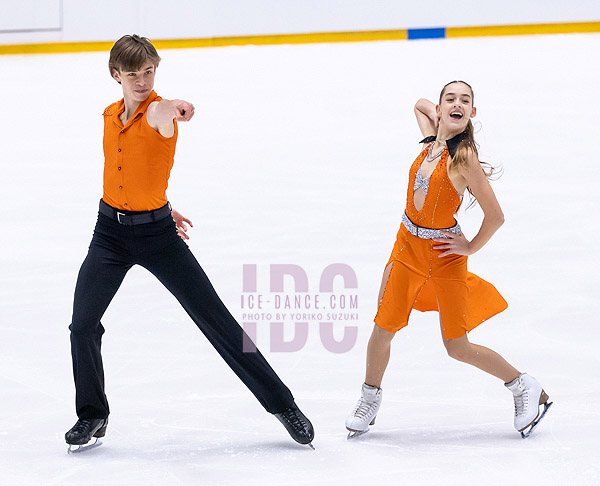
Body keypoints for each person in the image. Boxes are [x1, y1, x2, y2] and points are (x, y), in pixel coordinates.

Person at [65, 34, 314, 451]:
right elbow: (131, 170)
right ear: (115, 76)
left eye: (149, 71)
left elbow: (160, 113)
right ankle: (93, 414)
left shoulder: (158, 113)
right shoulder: (110, 116)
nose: (142, 80)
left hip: (157, 237)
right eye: (133, 74)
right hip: (108, 233)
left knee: (214, 318)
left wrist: (175, 107)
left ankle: (282, 404)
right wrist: (161, 202)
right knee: (82, 325)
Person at [345, 81, 551, 439]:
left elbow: (496, 216)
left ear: (473, 113)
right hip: (406, 248)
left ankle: (522, 385)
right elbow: (419, 104)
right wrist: (441, 115)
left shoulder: (464, 157)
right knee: (383, 328)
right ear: (440, 109)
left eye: (466, 101)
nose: (457, 104)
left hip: (444, 256)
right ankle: (369, 398)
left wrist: (469, 248)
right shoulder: (430, 140)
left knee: (457, 346)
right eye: (450, 99)